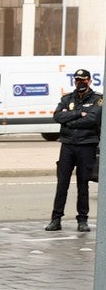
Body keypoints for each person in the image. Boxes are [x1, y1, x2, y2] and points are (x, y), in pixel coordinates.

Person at [46, 68, 101, 232]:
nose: (80, 83)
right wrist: (79, 114)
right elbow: (57, 116)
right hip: (68, 145)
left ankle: (82, 220)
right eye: (77, 80)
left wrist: (70, 118)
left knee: (83, 184)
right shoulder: (67, 98)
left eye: (83, 80)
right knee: (62, 184)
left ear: (89, 81)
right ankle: (56, 219)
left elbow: (93, 119)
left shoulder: (98, 99)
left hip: (87, 145)